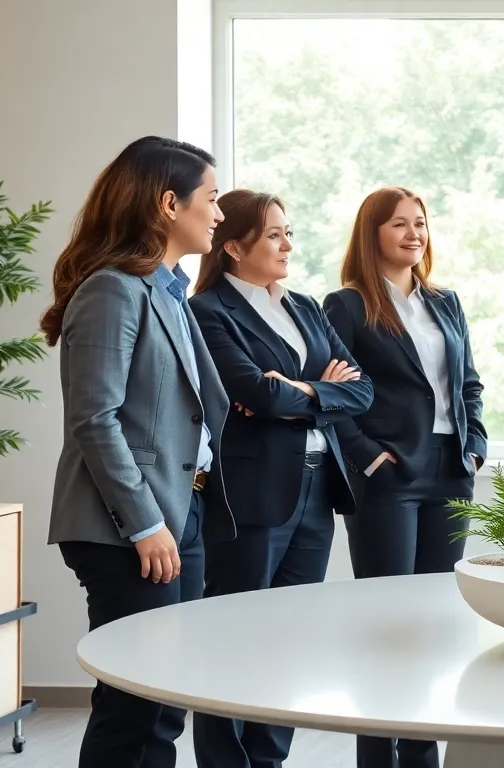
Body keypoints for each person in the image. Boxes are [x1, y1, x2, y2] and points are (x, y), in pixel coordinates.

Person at [40, 136, 234, 768]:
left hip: (185, 513)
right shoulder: (112, 290)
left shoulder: (169, 292)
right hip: (129, 525)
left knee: (166, 700)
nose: (220, 213)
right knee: (134, 706)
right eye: (211, 198)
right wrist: (146, 523)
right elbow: (94, 421)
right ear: (168, 203)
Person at [187, 189, 373, 768]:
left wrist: (306, 391)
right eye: (273, 234)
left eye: (287, 231)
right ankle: (226, 761)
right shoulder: (209, 311)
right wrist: (315, 389)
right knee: (236, 633)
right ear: (234, 246)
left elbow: (361, 390)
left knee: (292, 635)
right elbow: (254, 393)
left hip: (317, 488)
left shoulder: (306, 307)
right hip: (251, 493)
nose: (287, 244)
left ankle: (269, 759)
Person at [323, 186, 486, 768]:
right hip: (388, 477)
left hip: (450, 470)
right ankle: (377, 757)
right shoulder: (345, 305)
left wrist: (476, 447)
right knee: (386, 625)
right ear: (372, 235)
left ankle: (421, 755)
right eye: (399, 224)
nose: (414, 234)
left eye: (420, 223)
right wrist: (367, 455)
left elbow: (467, 382)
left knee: (433, 625)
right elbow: (333, 394)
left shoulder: (446, 302)